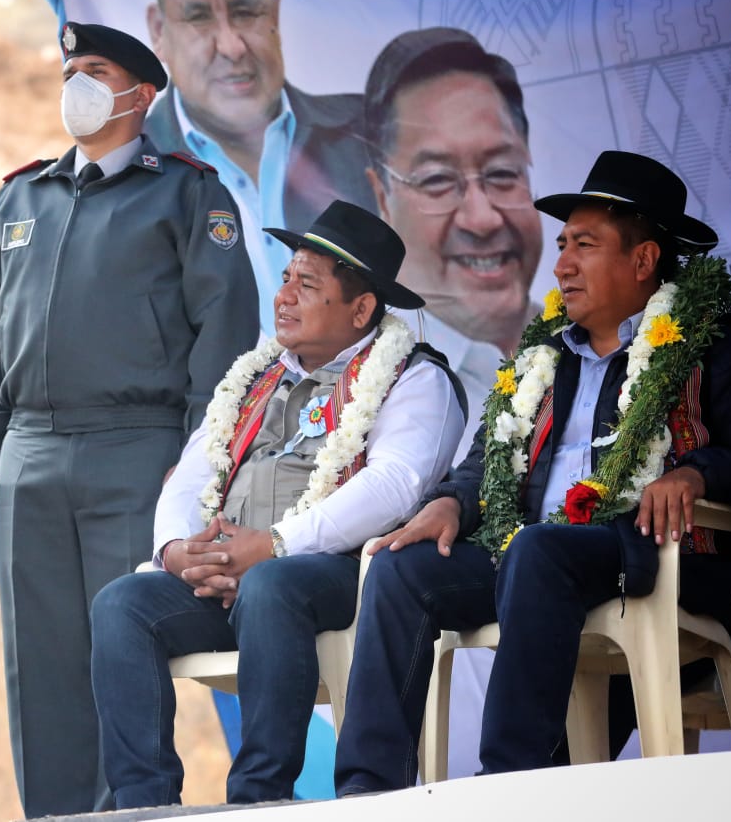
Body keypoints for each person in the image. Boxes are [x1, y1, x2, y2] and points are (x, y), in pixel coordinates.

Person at [332, 151, 731, 793]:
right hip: (531, 554)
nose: (561, 265)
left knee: (539, 550)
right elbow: (487, 463)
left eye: (584, 246)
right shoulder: (543, 352)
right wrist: (451, 502)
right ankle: (368, 792)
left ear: (643, 260)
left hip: (656, 552)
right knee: (401, 569)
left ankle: (510, 785)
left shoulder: (715, 342)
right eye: (562, 245)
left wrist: (700, 472)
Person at [0, 21, 259, 817]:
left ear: (142, 93)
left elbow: (225, 335)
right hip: (29, 456)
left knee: (118, 654)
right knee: (40, 665)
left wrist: (194, 463)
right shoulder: (21, 195)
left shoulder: (188, 194)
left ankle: (129, 812)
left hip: (139, 453)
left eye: (95, 71)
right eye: (70, 71)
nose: (77, 87)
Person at [90, 201, 465, 808]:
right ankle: (143, 806)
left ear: (361, 309)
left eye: (307, 285)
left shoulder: (415, 378)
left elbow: (395, 484)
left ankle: (257, 801)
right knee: (122, 603)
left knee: (272, 585)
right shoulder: (257, 377)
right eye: (286, 277)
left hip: (338, 576)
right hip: (228, 572)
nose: (284, 296)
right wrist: (178, 552)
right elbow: (190, 475)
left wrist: (273, 547)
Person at [142, 0, 371, 330]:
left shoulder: (372, 137)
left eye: (247, 11)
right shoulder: (129, 175)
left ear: (276, 12)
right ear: (158, 30)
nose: (231, 47)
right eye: (198, 17)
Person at [361, 26, 544, 445]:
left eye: (502, 173)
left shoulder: (603, 351)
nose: (483, 219)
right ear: (382, 198)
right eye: (438, 180)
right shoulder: (355, 390)